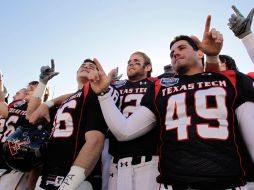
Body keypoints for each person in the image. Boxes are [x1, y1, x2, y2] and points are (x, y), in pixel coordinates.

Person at [88, 16, 254, 189]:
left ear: (199, 52)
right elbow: (124, 131)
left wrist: (215, 55)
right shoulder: (160, 86)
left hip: (229, 183)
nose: (175, 53)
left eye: (181, 48)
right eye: (172, 52)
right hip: (174, 184)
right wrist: (103, 94)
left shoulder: (233, 80)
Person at [28, 59, 107, 190]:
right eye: (83, 65)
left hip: (78, 179)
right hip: (47, 175)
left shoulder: (98, 95)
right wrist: (42, 84)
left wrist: (69, 184)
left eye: (91, 67)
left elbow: (96, 141)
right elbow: (31, 116)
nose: (86, 67)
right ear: (76, 73)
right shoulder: (66, 101)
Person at [105, 51, 160, 190]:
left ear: (148, 67)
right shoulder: (115, 85)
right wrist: (49, 103)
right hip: (116, 160)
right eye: (129, 62)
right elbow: (80, 93)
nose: (131, 64)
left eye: (136, 61)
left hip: (148, 158)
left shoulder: (157, 83)